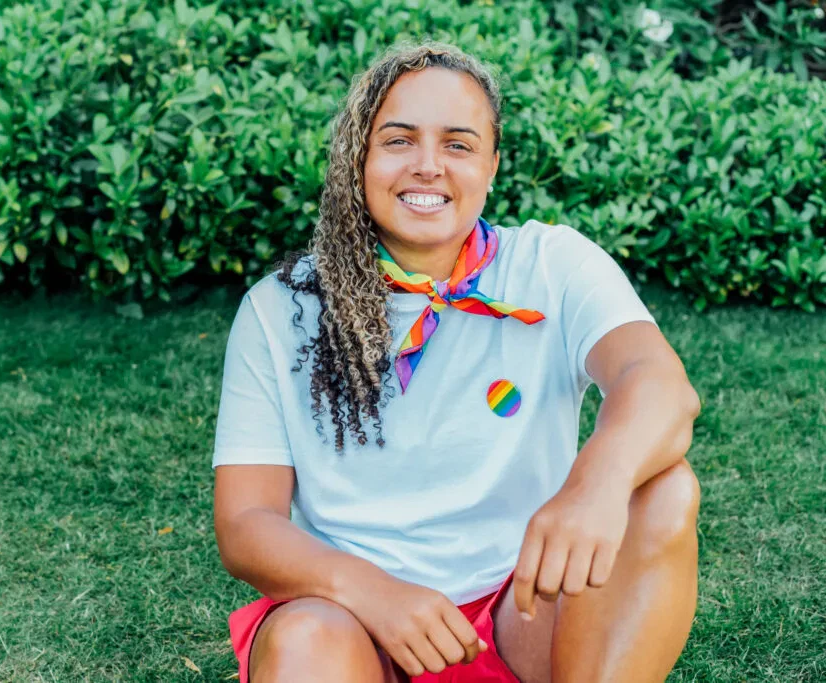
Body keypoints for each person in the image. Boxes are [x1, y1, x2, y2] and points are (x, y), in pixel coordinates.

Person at [211, 40, 701, 683]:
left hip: (521, 610)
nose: (427, 166)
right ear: (359, 159)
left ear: (492, 166)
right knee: (308, 636)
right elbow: (246, 523)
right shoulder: (281, 307)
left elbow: (659, 384)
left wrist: (596, 485)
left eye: (458, 145)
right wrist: (374, 593)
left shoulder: (552, 265)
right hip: (353, 626)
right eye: (398, 140)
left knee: (661, 490)